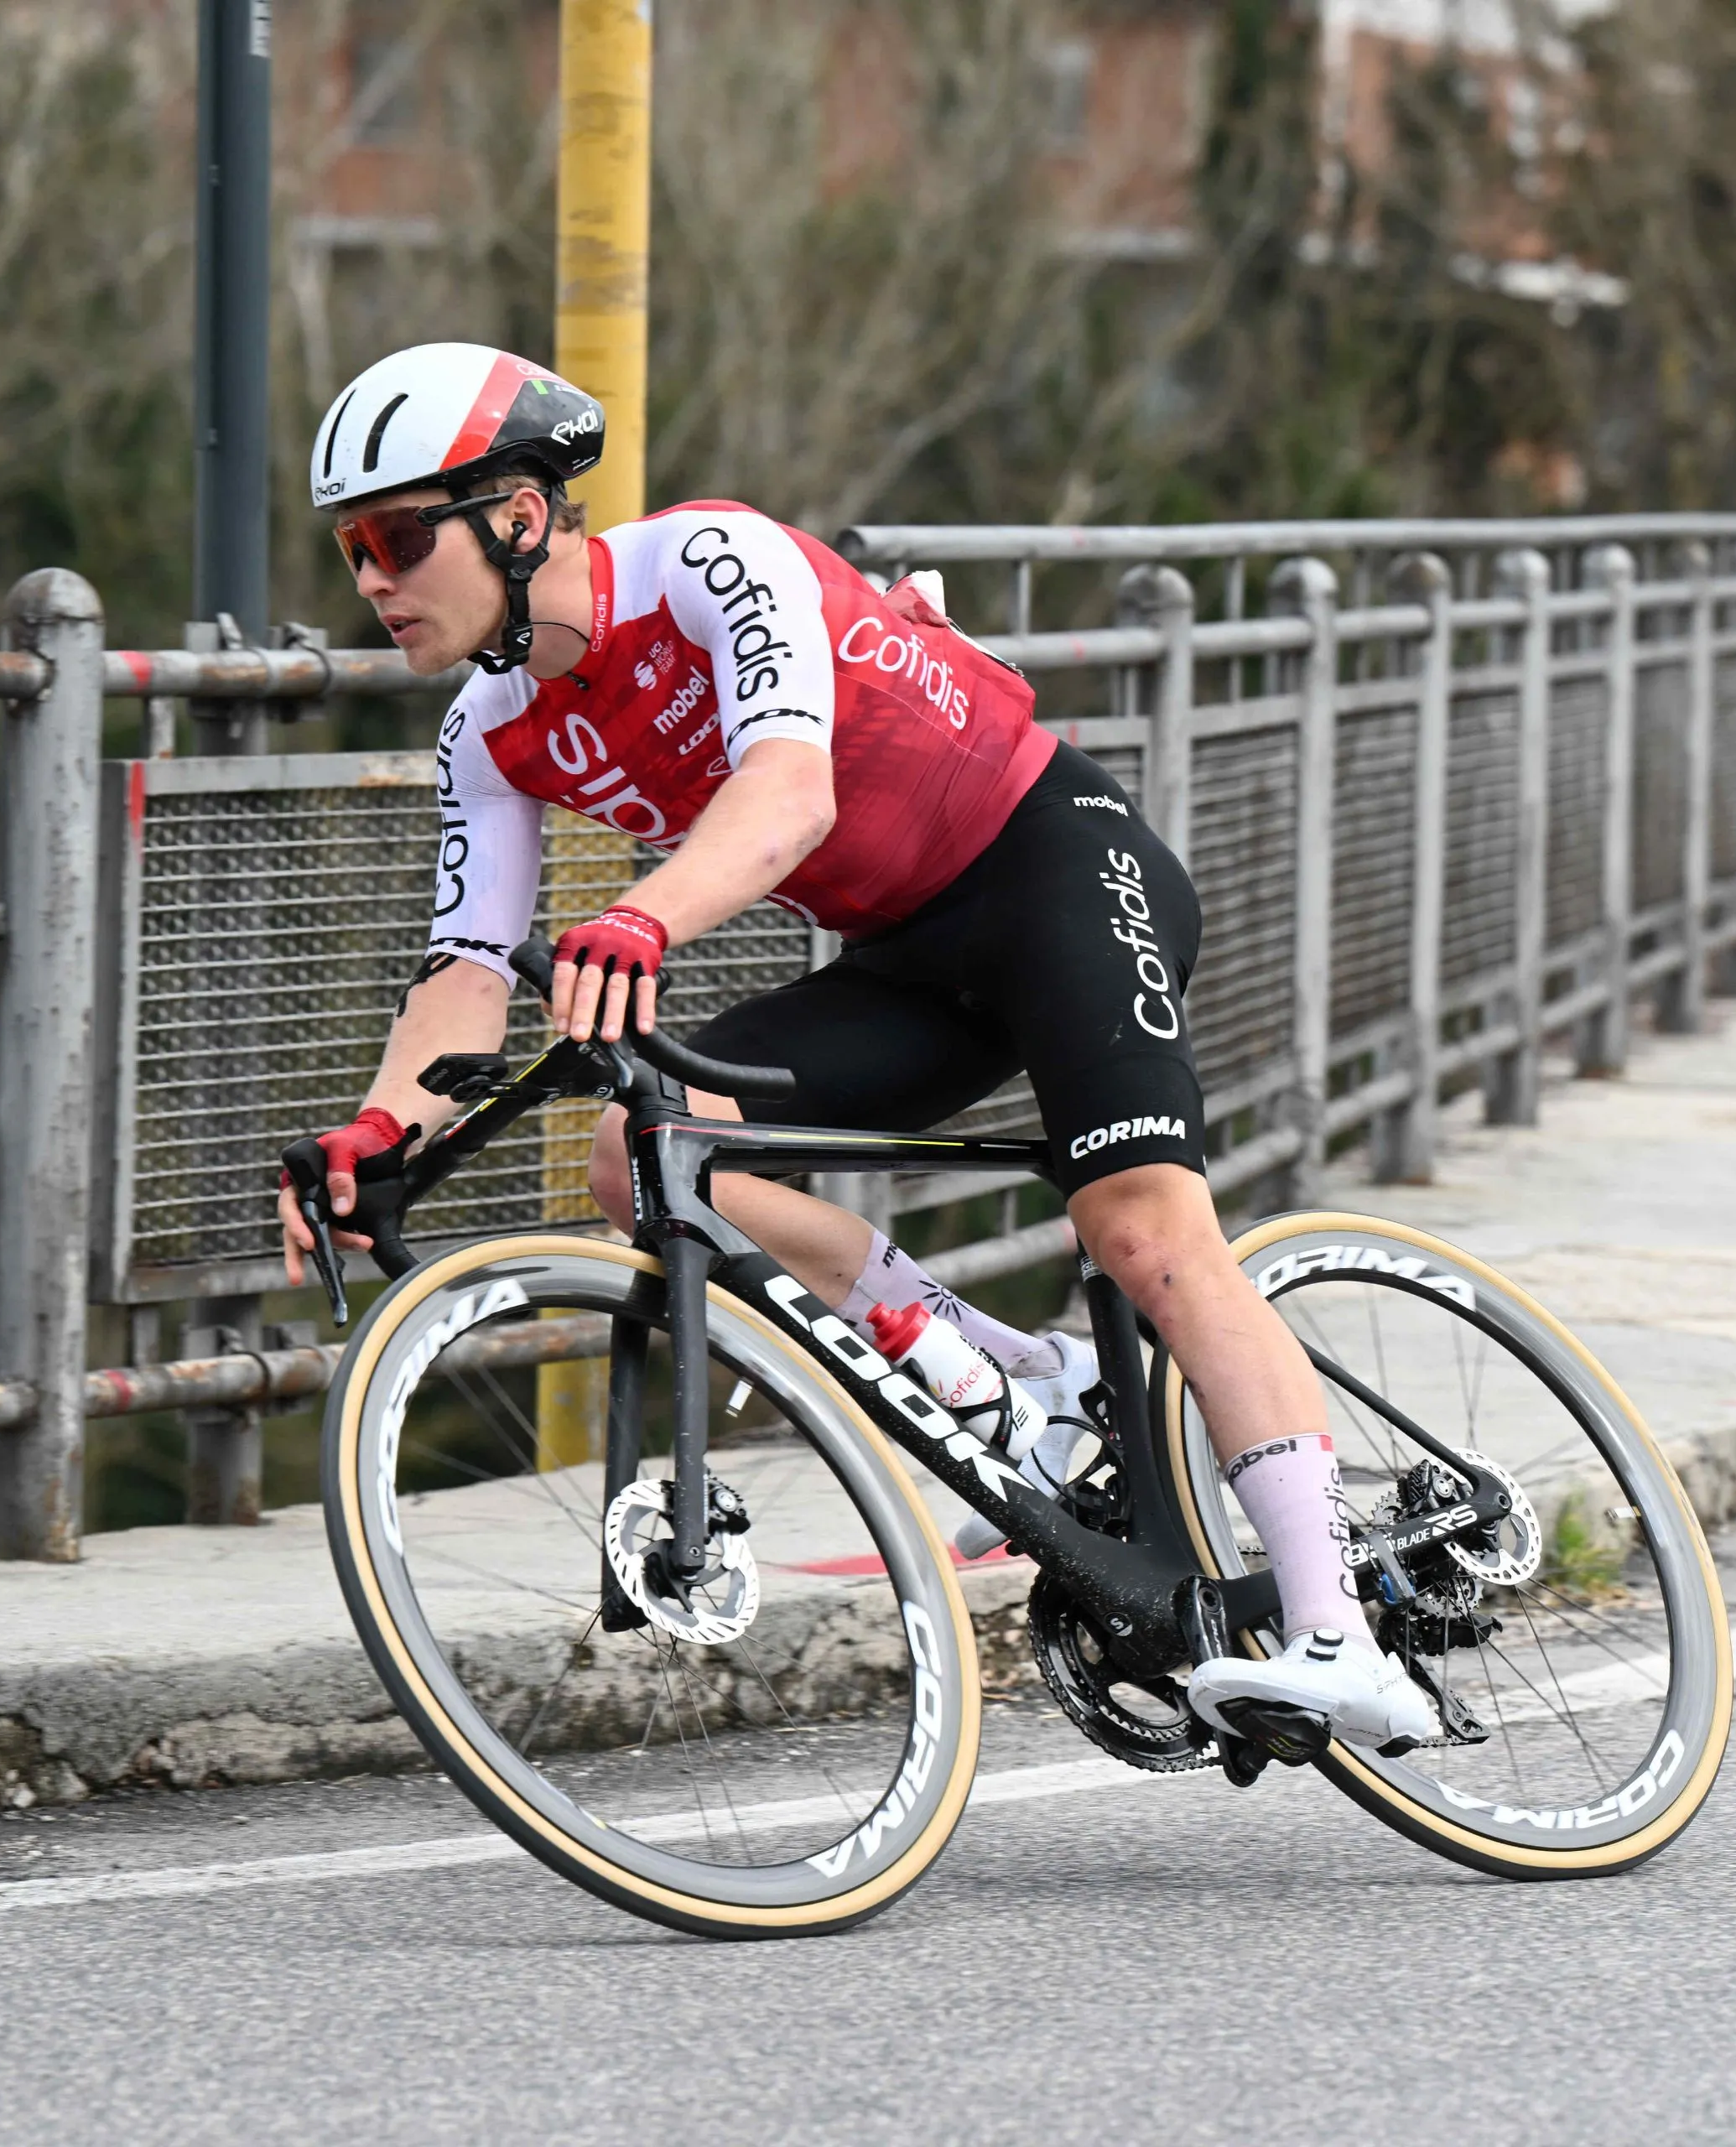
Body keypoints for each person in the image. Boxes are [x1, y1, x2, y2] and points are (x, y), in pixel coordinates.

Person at [275, 342, 1437, 1750]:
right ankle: (1015, 1380)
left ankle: (1342, 1635)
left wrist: (640, 921)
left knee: (1143, 1232)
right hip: (909, 962)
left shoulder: (708, 561)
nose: (373, 583)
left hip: (1055, 868)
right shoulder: (490, 732)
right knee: (647, 1156)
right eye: (352, 552)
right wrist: (380, 1132)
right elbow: (463, 973)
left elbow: (788, 793)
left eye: (398, 539)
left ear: (518, 517)